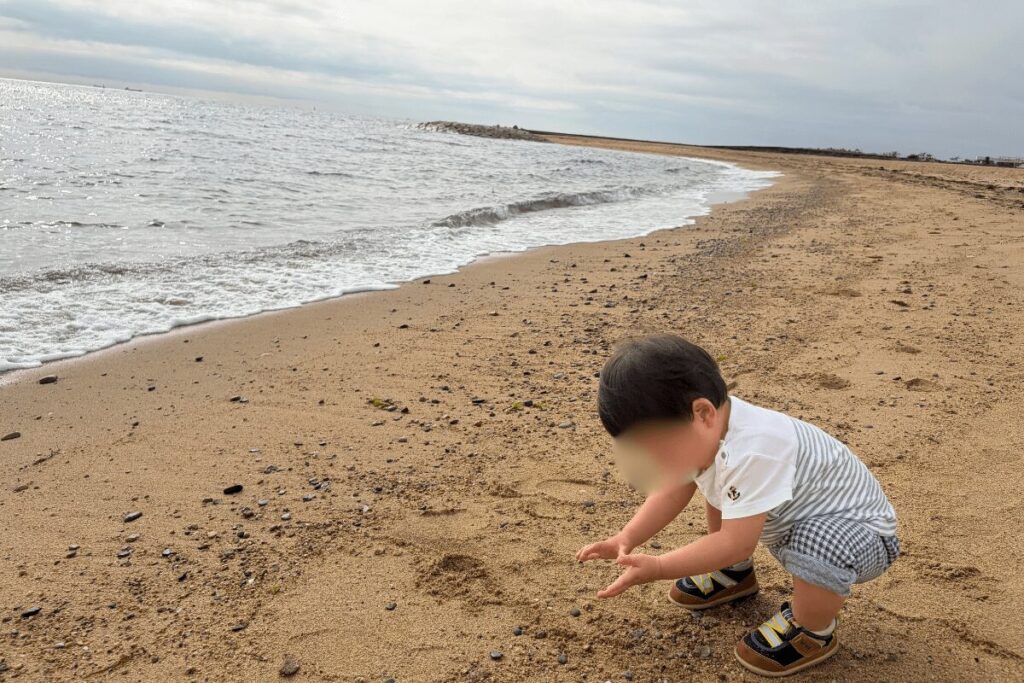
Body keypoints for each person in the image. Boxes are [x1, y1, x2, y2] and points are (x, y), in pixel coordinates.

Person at [576, 334, 899, 677]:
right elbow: (675, 487)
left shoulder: (753, 450)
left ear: (702, 412)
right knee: (715, 479)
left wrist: (658, 566)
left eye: (658, 448)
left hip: (861, 536)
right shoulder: (714, 427)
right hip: (795, 521)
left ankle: (812, 631)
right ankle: (734, 574)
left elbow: (735, 542)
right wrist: (626, 537)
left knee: (817, 541)